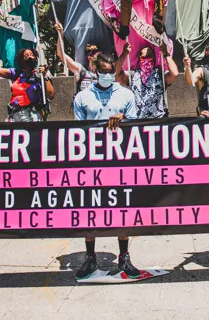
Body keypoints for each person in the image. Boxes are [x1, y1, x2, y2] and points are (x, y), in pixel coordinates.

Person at [72, 52, 139, 279]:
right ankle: (90, 257)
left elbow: (136, 127)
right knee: (91, 210)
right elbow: (78, 131)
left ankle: (124, 256)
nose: (108, 76)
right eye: (104, 72)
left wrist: (124, 120)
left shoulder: (126, 94)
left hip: (119, 160)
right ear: (95, 69)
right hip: (92, 161)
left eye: (111, 72)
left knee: (121, 209)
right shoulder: (82, 97)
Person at [0, 38, 53, 122]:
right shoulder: (16, 73)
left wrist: (45, 76)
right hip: (15, 114)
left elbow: (50, 95)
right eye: (26, 55)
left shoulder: (40, 74)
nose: (29, 56)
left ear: (35, 58)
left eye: (31, 54)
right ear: (21, 60)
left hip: (33, 115)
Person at [121, 43, 178, 119]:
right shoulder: (133, 75)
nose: (146, 60)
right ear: (139, 59)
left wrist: (166, 54)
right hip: (137, 122)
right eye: (143, 58)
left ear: (154, 58)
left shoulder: (160, 74)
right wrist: (124, 54)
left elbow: (175, 74)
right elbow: (116, 76)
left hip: (159, 121)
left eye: (149, 57)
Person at [54, 25, 100, 94]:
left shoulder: (104, 72)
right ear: (90, 58)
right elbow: (60, 53)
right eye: (98, 57)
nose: (101, 59)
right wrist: (60, 34)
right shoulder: (82, 70)